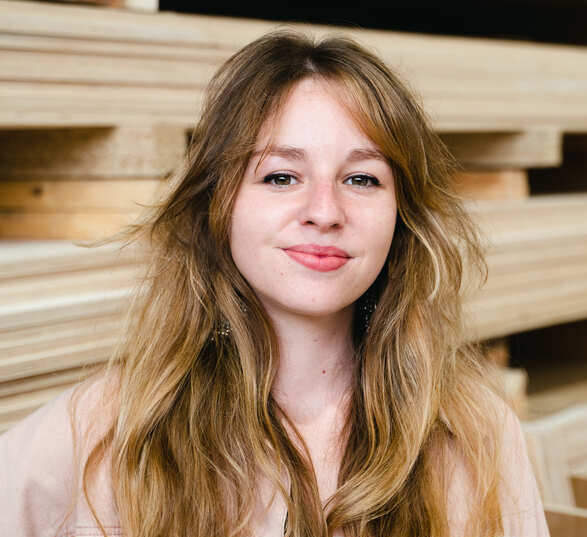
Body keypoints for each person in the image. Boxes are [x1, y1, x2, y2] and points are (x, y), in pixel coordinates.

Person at [0, 29, 549, 537]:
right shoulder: (104, 433)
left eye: (361, 178)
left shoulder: (475, 437)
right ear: (219, 204)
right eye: (281, 176)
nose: (324, 211)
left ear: (401, 215)